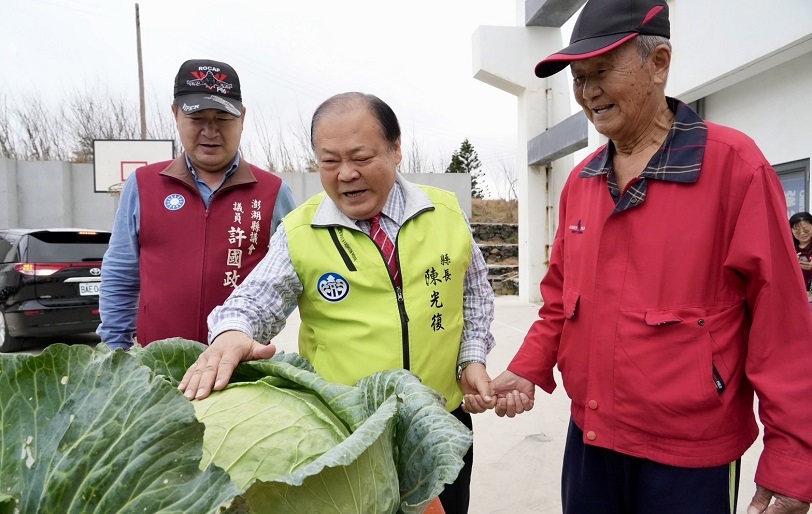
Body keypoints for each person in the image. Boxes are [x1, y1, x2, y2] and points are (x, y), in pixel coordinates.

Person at [465, 1, 812, 513]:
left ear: (659, 63)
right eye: (578, 78)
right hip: (591, 438)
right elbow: (561, 301)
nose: (588, 93)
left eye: (602, 71)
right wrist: (528, 366)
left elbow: (781, 325)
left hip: (690, 455)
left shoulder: (735, 168)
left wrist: (792, 462)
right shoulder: (581, 181)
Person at [178, 92, 496, 513]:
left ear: (397, 149)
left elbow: (473, 294)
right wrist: (232, 333)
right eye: (329, 161)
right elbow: (254, 300)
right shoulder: (301, 230)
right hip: (350, 441)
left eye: (361, 157)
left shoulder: (446, 213)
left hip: (439, 427)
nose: (346, 174)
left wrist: (470, 359)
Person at [97, 58, 296, 350]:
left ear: (242, 117)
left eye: (223, 119)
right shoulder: (142, 184)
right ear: (175, 113)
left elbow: (291, 278)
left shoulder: (274, 192)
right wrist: (117, 351)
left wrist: (258, 332)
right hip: (156, 368)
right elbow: (120, 274)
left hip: (242, 370)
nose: (210, 131)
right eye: (197, 118)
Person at [790, 211, 812, 304]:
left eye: (806, 229)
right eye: (797, 230)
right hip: (793, 293)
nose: (802, 233)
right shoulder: (788, 247)